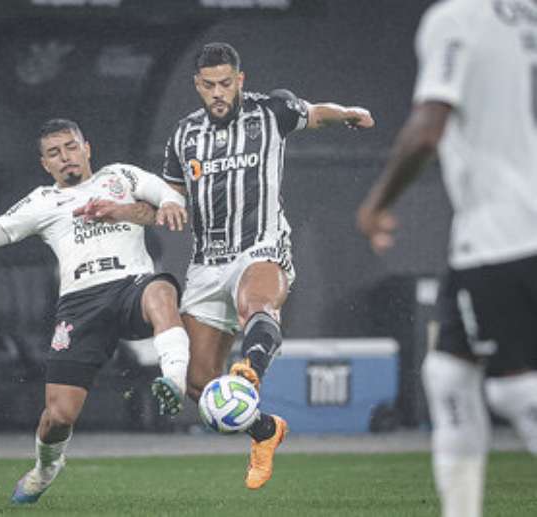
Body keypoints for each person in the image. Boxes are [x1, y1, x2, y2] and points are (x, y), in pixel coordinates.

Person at [0, 118, 191, 505]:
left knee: (161, 289)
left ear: (86, 148)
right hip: (80, 305)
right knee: (58, 416)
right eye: (55, 153)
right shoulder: (42, 202)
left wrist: (171, 203)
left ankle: (173, 379)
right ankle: (46, 467)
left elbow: (166, 193)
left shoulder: (120, 175)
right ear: (45, 164)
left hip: (129, 287)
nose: (66, 157)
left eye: (71, 147)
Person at [162, 42, 374, 490]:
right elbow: (170, 199)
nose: (217, 93)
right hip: (205, 264)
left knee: (257, 303)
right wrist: (134, 210)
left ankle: (250, 369)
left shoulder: (271, 111)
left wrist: (349, 112)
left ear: (240, 80)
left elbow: (316, 112)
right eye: (208, 85)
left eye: (225, 83)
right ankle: (265, 429)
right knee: (198, 384)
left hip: (260, 245)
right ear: (196, 86)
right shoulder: (183, 135)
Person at [357, 1, 537, 516]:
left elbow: (428, 126)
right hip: (490, 235)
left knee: (515, 394)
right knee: (448, 375)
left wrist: (377, 203)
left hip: (504, 232)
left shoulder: (457, 18)